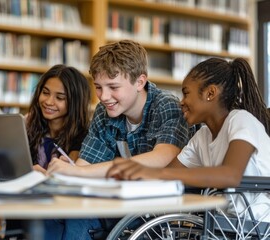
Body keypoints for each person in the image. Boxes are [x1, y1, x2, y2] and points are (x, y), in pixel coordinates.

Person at [45, 40, 193, 239]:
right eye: (98, 87)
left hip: (161, 211)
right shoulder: (104, 112)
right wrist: (58, 175)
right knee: (53, 214)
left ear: (140, 82)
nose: (103, 97)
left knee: (77, 217)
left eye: (113, 87)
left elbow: (162, 157)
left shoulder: (166, 105)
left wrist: (78, 171)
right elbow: (85, 163)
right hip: (120, 204)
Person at [107, 57, 270, 222]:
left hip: (259, 225)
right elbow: (172, 173)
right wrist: (132, 177)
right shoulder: (202, 137)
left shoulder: (242, 120)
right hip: (226, 226)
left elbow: (231, 175)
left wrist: (154, 172)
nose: (181, 102)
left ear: (210, 93)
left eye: (186, 93)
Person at [25, 64, 91, 174]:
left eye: (60, 98)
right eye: (45, 93)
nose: (49, 102)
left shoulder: (86, 136)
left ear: (75, 103)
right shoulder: (27, 125)